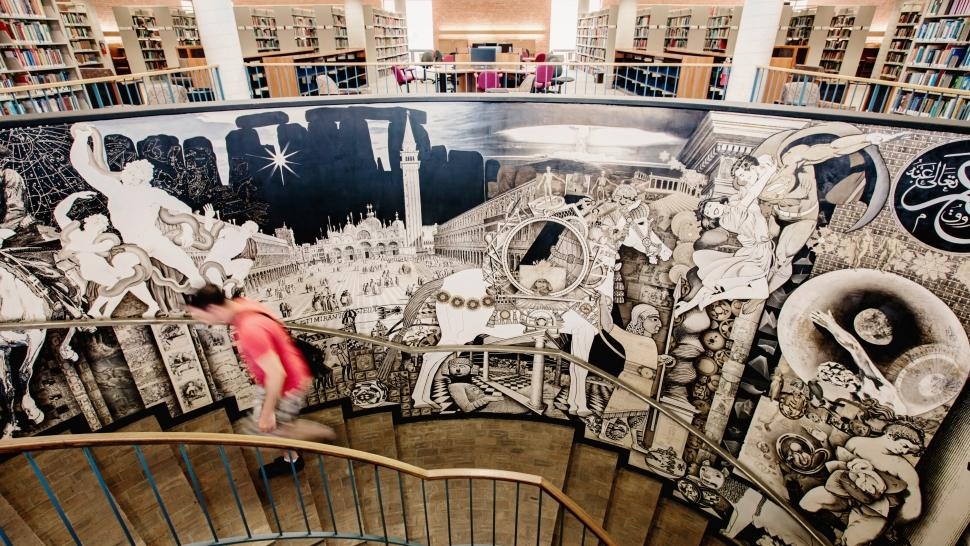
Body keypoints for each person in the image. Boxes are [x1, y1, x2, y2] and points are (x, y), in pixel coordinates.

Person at [185, 284, 337, 477]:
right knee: (269, 430)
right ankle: (291, 458)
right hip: (283, 376)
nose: (202, 322)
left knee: (263, 434)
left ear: (213, 308)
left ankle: (320, 434)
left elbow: (276, 374)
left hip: (285, 385)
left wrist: (267, 412)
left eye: (201, 316)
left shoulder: (250, 328)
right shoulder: (243, 305)